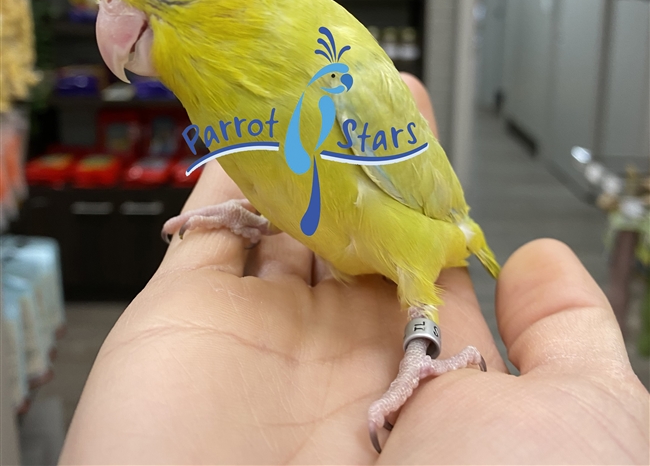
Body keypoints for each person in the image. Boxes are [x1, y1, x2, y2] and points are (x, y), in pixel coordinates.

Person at [59, 75, 649, 465]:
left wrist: (417, 361)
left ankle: (423, 351)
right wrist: (265, 215)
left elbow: (425, 209)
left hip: (424, 235)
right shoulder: (231, 105)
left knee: (412, 278)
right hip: (320, 225)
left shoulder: (350, 93)